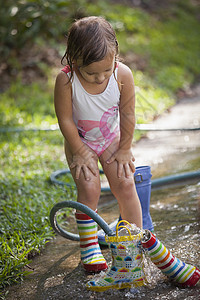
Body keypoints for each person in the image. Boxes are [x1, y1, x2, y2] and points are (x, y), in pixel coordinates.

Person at [54, 16, 143, 273]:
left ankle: (133, 240)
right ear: (73, 59)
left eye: (106, 70)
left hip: (111, 138)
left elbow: (127, 114)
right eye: (91, 72)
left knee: (125, 182)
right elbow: (65, 119)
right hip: (79, 140)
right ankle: (90, 246)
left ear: (116, 55)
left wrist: (125, 148)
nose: (100, 77)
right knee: (90, 188)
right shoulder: (66, 80)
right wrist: (80, 151)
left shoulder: (122, 74)